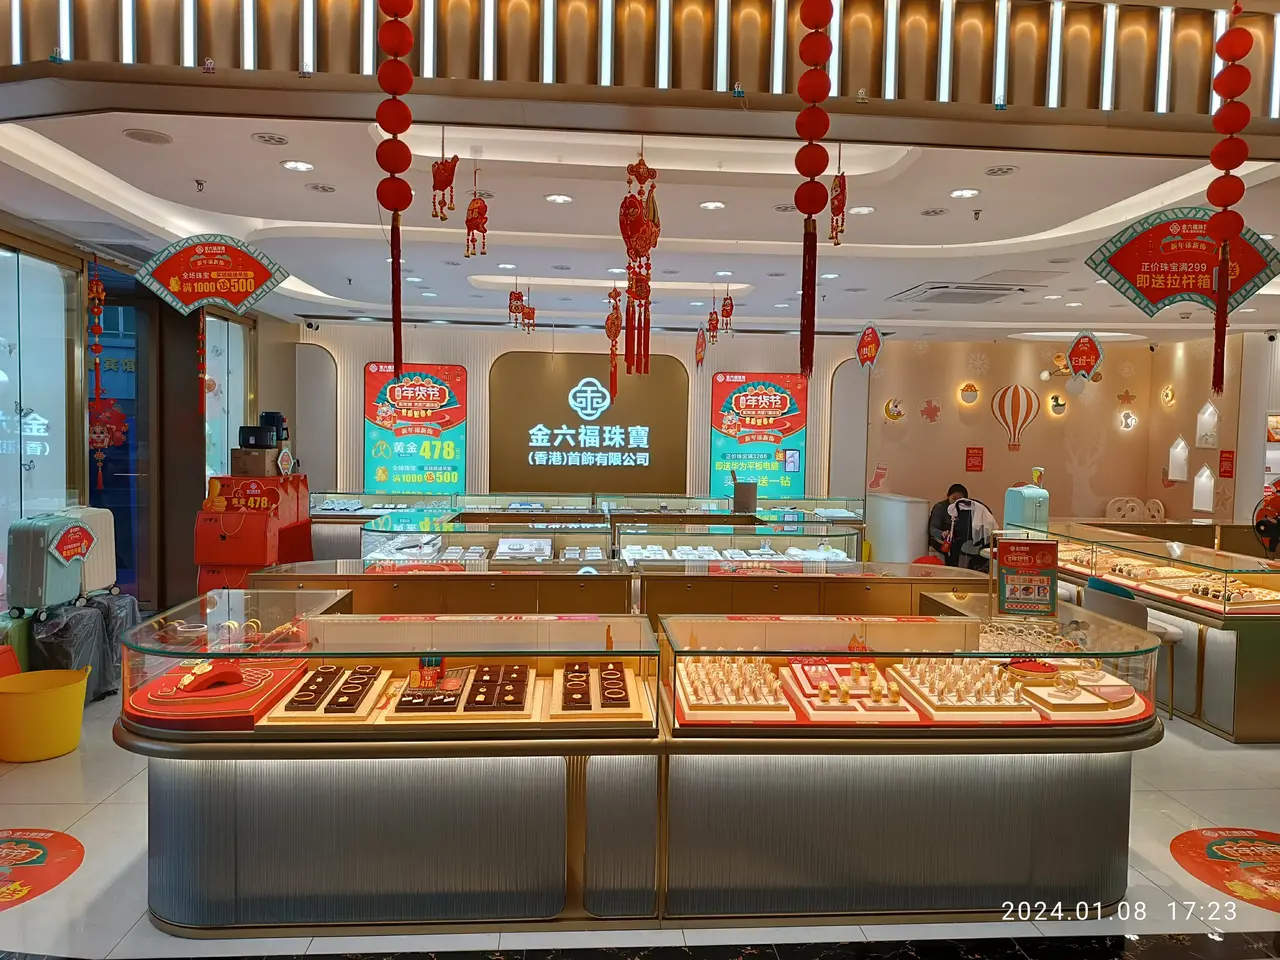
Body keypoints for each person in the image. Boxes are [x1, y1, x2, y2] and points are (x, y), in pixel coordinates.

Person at [928, 483, 968, 564]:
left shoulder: (966, 509)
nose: (956, 502)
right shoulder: (940, 507)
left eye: (960, 500)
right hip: (941, 539)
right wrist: (942, 533)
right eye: (954, 498)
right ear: (948, 496)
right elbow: (932, 528)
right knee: (954, 546)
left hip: (959, 537)